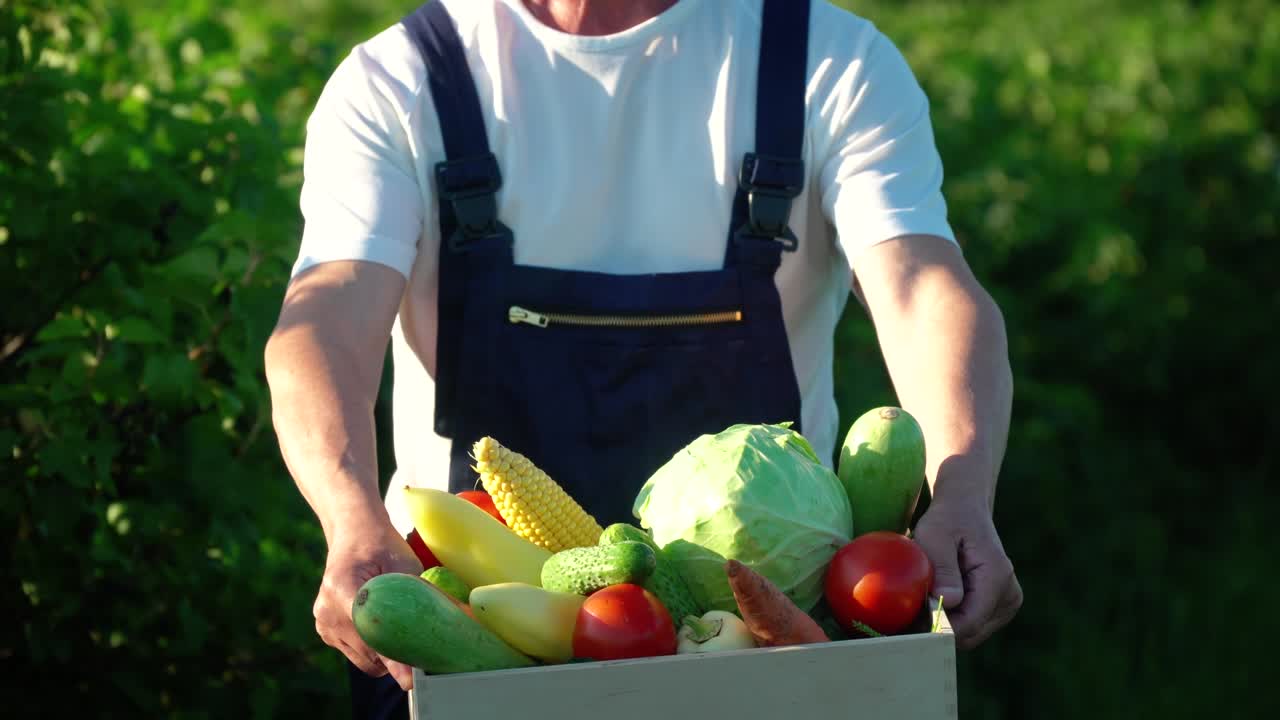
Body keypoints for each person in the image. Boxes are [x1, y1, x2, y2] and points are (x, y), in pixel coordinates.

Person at [264, 0, 1023, 717]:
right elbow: (326, 323)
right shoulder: (403, 80)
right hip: (473, 648)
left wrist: (960, 489)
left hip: (770, 646)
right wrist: (352, 520)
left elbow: (923, 290)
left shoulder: (828, 61)